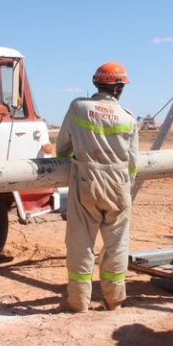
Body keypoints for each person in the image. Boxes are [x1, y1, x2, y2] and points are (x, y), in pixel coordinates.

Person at [56, 62, 139, 312]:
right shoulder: (127, 116)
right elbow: (133, 162)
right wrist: (126, 185)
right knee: (117, 243)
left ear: (97, 83)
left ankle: (78, 301)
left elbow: (62, 147)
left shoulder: (78, 107)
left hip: (86, 180)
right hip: (119, 184)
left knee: (80, 243)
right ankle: (114, 300)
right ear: (119, 88)